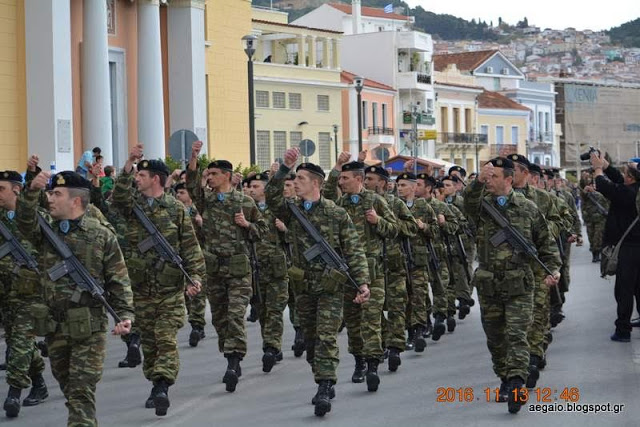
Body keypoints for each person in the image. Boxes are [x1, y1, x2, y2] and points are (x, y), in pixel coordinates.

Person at [17, 169, 134, 426]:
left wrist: (124, 316)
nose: (50, 198)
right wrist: (31, 191)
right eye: (49, 192)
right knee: (70, 390)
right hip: (54, 327)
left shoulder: (101, 235)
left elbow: (118, 281)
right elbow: (24, 221)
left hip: (88, 329)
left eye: (56, 193)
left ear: (76, 201)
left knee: (81, 392)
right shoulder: (46, 232)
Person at [265, 148, 370, 417]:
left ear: (316, 184)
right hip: (303, 287)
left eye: (300, 178)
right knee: (311, 341)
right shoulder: (291, 211)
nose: (295, 183)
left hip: (331, 287)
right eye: (294, 178)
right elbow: (272, 197)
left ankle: (325, 385)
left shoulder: (336, 214)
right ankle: (321, 373)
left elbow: (354, 249)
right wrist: (284, 169)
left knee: (325, 337)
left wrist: (362, 283)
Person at [463, 158, 561, 414]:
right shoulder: (481, 206)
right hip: (489, 284)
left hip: (520, 284)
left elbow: (546, 244)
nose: (489, 180)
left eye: (494, 176)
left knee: (517, 335)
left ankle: (517, 383)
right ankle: (505, 377)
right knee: (496, 338)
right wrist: (477, 180)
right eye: (488, 176)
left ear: (509, 179)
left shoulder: (528, 208)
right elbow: (467, 201)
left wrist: (554, 270)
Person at [112, 147, 205, 416]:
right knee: (150, 345)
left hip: (169, 290)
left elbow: (191, 249)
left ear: (156, 178)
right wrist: (128, 163)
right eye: (136, 174)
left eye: (141, 175)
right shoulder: (132, 206)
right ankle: (156, 381)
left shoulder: (176, 210)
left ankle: (163, 386)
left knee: (165, 338)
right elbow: (118, 196)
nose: (136, 179)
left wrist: (194, 278)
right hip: (140, 289)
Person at [186, 141, 267, 393]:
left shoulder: (244, 203)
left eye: (213, 174)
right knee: (220, 319)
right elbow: (190, 184)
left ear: (228, 177)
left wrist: (247, 226)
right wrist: (193, 158)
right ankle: (229, 354)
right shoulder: (206, 201)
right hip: (214, 270)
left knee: (234, 316)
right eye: (207, 174)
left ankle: (234, 361)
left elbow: (263, 231)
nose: (208, 178)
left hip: (239, 270)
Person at [323, 155, 398, 392]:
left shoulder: (374, 201)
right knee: (353, 322)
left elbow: (395, 229)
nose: (341, 182)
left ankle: (373, 364)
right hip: (346, 272)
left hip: (372, 271)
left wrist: (378, 222)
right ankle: (359, 361)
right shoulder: (339, 205)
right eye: (340, 178)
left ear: (359, 179)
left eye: (345, 178)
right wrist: (335, 168)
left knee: (371, 320)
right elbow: (325, 194)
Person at [0, 171, 48, 418]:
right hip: (6, 294)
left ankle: (14, 393)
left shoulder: (33, 218)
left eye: (1, 189)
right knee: (20, 343)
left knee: (19, 343)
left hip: (30, 294)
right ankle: (39, 383)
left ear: (16, 190)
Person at [364, 165, 418, 372]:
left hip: (394, 265)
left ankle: (395, 346)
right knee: (374, 310)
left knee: (396, 308)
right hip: (373, 267)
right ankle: (384, 341)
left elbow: (411, 228)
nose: (367, 182)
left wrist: (386, 223)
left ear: (383, 184)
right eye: (365, 178)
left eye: (371, 179)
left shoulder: (396, 204)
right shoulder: (363, 204)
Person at [592, 152, 640, 342]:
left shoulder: (627, 193)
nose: (624, 177)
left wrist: (597, 168)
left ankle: (623, 330)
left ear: (631, 178)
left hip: (629, 249)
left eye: (627, 174)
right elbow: (620, 180)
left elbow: (604, 186)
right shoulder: (633, 190)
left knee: (624, 290)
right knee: (638, 287)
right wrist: (606, 166)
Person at [246, 172, 290, 372]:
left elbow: (297, 237)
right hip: (255, 268)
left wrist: (285, 230)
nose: (251, 190)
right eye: (250, 187)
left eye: (255, 187)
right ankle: (273, 344)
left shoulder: (278, 209)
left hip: (276, 267)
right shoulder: (246, 210)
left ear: (265, 188)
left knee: (274, 309)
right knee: (262, 310)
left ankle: (271, 348)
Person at [174, 182, 207, 347]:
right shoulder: (174, 212)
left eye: (182, 192)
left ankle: (197, 325)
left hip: (198, 256)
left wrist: (202, 224)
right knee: (187, 293)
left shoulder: (197, 211)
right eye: (177, 193)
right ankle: (194, 318)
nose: (178, 195)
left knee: (198, 291)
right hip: (180, 257)